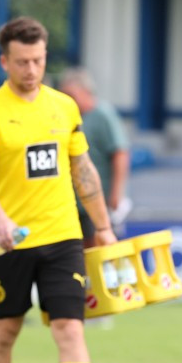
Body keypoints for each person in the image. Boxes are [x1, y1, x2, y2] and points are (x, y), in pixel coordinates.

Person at [0, 16, 116, 363]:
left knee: (70, 326)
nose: (31, 70)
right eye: (22, 62)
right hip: (10, 242)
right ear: (4, 61)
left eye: (39, 60)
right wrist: (0, 219)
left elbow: (82, 170)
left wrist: (104, 227)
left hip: (63, 237)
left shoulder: (64, 107)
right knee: (5, 329)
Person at [59, 67, 131, 246]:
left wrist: (117, 193)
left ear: (86, 92)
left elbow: (120, 153)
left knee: (96, 245)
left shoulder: (102, 114)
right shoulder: (65, 117)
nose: (67, 100)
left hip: (97, 198)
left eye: (71, 95)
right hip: (72, 200)